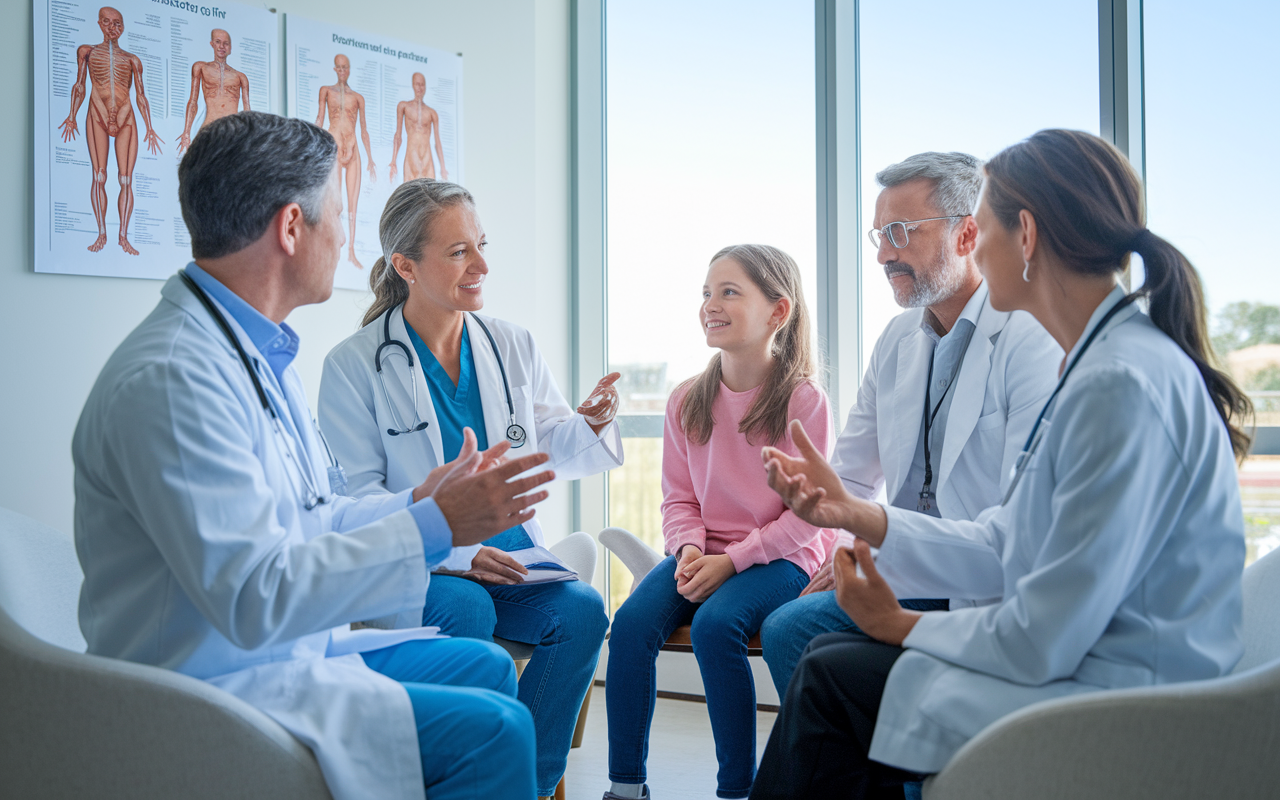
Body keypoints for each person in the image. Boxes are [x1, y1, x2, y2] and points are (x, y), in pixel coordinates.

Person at [751, 129, 1251, 799]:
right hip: (1089, 659)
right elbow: (1008, 544)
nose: (977, 250)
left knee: (831, 678)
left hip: (1126, 698)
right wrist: (854, 514)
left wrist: (899, 625)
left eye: (981, 228)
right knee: (830, 660)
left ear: (1027, 236)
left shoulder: (1116, 383)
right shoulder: (1105, 364)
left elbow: (1044, 632)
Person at [72, 111, 551, 800]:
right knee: (496, 730)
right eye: (339, 214)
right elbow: (254, 596)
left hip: (277, 657)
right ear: (292, 228)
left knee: (486, 668)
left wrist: (418, 503)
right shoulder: (176, 380)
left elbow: (315, 513)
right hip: (207, 693)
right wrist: (437, 526)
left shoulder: (255, 353)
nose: (349, 240)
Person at [319, 178, 621, 800]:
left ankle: (526, 783)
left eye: (481, 246)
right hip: (420, 566)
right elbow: (354, 501)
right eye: (459, 253)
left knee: (584, 611)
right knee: (467, 609)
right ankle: (457, 777)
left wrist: (586, 423)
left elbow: (544, 450)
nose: (482, 265)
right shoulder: (353, 366)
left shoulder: (510, 344)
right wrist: (454, 552)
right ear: (405, 265)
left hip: (511, 556)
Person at [759, 152, 1061, 699]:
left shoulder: (1028, 338)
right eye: (878, 234)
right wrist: (846, 554)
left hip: (979, 576)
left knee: (817, 644)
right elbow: (848, 477)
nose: (882, 254)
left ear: (967, 235)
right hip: (900, 564)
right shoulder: (897, 340)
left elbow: (1019, 529)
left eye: (899, 232)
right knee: (789, 629)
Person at [604, 244, 835, 800]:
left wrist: (732, 560)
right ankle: (625, 787)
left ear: (778, 312)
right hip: (703, 551)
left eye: (729, 291)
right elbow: (678, 498)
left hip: (782, 556)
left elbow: (806, 521)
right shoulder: (686, 399)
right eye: (706, 292)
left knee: (715, 626)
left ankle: (736, 791)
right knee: (630, 626)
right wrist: (686, 549)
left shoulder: (804, 401)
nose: (711, 303)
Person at [59, 5, 163, 255]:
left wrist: (149, 127)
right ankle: (102, 233)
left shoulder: (132, 60)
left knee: (125, 179)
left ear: (123, 27)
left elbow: (141, 95)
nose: (112, 27)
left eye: (117, 23)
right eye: (107, 22)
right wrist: (72, 115)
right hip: (97, 113)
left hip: (127, 116)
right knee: (99, 176)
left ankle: (123, 236)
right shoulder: (87, 52)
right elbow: (79, 85)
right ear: (99, 24)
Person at [177, 28, 251, 154]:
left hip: (232, 129)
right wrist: (186, 132)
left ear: (230, 47)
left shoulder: (241, 77)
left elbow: (247, 111)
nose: (222, 46)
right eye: (218, 42)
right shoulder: (201, 67)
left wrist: (249, 138)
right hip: (209, 127)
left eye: (226, 43)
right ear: (212, 44)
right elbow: (193, 101)